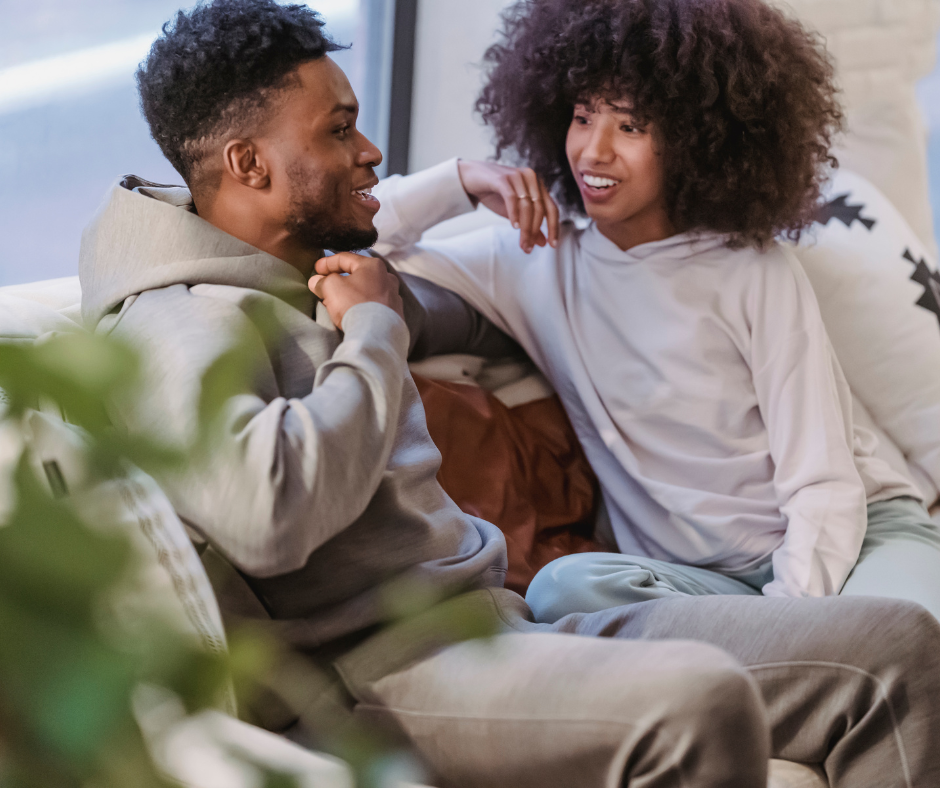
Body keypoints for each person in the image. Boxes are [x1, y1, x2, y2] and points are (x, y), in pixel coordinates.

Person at [79, 1, 940, 785]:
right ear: (248, 164)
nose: (370, 149)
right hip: (392, 665)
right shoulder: (178, 319)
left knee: (895, 647)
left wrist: (447, 200)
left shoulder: (302, 269)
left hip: (499, 618)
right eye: (340, 130)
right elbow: (265, 514)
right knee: (699, 697)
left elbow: (416, 288)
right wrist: (376, 330)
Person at [373, 0, 940, 625]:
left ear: (697, 138)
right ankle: (781, 655)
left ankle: (788, 653)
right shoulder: (536, 256)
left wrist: (790, 621)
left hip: (857, 538)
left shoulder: (753, 271)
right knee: (563, 591)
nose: (593, 151)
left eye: (631, 126)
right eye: (583, 116)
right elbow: (356, 239)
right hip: (697, 582)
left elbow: (823, 485)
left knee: (905, 633)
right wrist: (462, 178)